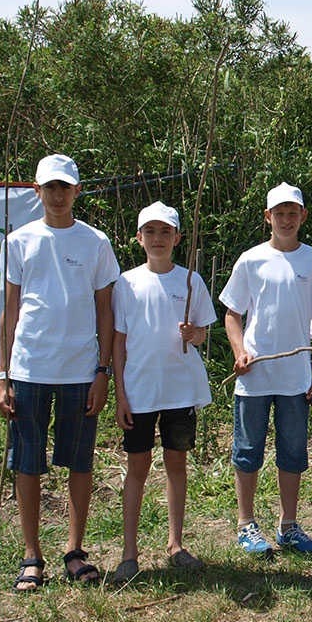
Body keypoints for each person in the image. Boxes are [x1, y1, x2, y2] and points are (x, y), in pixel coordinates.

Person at [0, 153, 120, 591]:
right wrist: (4, 376)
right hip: (29, 368)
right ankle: (32, 556)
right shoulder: (19, 241)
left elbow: (106, 310)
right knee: (28, 462)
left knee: (79, 462)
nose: (57, 194)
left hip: (81, 371)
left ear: (77, 191)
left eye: (65, 187)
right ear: (37, 191)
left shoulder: (95, 242)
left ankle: (74, 551)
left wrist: (103, 371)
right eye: (49, 187)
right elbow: (9, 312)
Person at [219, 182, 312, 556]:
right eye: (279, 213)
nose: (286, 219)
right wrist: (240, 352)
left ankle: (288, 525)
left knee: (293, 451)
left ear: (302, 216)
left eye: (292, 213)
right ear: (268, 217)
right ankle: (246, 524)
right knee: (248, 449)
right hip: (254, 377)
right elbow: (232, 314)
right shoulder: (250, 260)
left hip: (295, 376)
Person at [110, 201, 217, 584]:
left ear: (177, 238)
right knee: (136, 467)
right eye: (150, 232)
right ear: (139, 238)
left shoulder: (191, 282)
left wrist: (195, 334)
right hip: (139, 391)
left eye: (165, 232)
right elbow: (118, 343)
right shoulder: (126, 283)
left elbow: (204, 332)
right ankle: (129, 552)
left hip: (180, 391)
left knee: (176, 464)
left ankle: (175, 544)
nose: (158, 239)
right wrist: (120, 394)